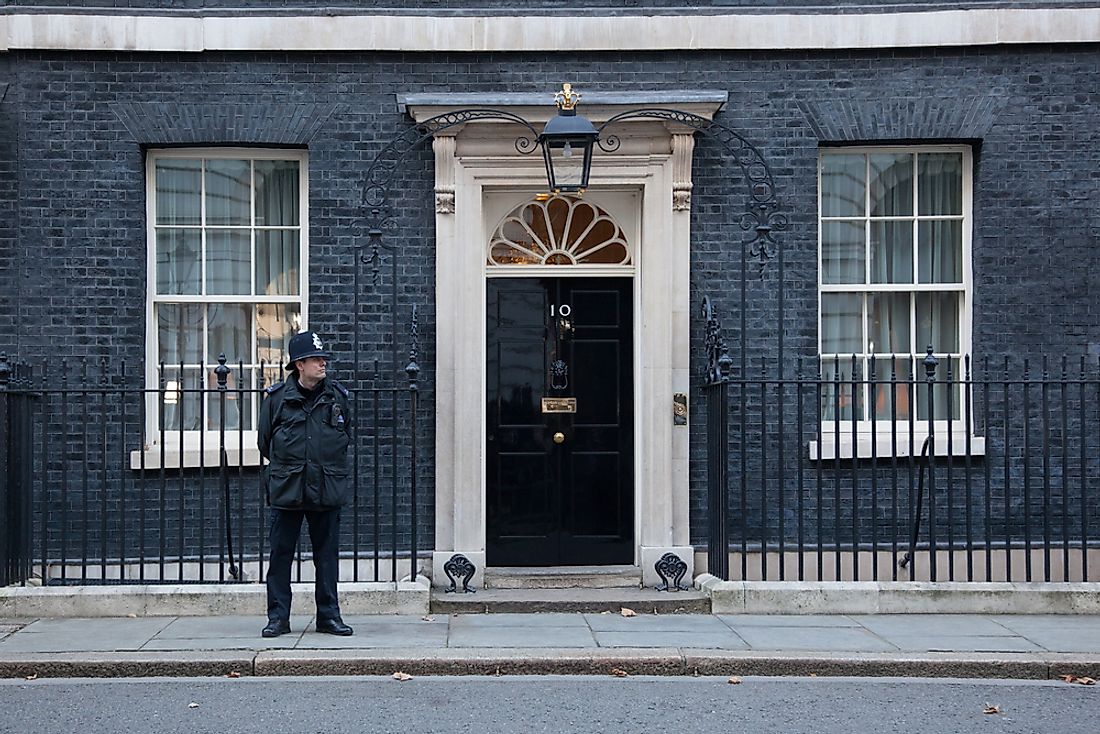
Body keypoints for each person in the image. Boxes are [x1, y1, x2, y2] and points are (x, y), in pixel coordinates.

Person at [257, 330, 354, 637]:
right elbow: (264, 443)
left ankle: (328, 616)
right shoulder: (276, 400)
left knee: (326, 557)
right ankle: (278, 618)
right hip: (288, 489)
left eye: (323, 358)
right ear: (299, 364)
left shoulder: (337, 397)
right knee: (281, 555)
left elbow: (345, 434)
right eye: (316, 359)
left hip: (326, 488)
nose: (322, 363)